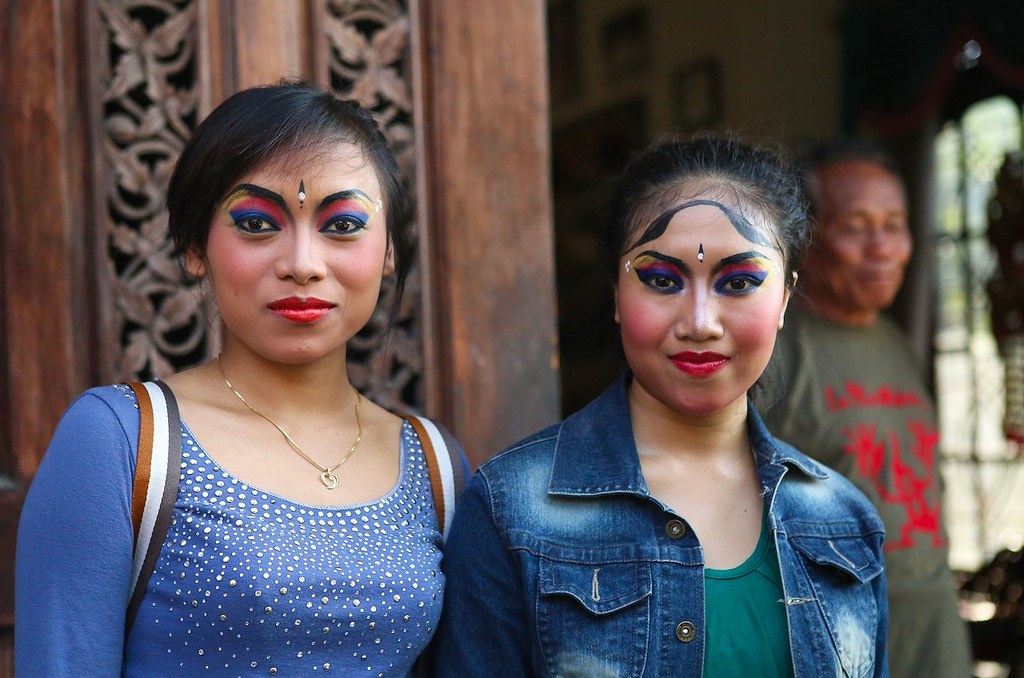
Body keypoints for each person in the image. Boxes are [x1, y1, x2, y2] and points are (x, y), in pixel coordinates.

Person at [15, 82, 465, 677]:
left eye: (344, 224)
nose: (302, 263)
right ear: (196, 247)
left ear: (388, 251)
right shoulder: (122, 442)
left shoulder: (434, 465)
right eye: (256, 223)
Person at [431, 136, 889, 677]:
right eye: (660, 280)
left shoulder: (843, 522)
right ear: (617, 296)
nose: (699, 322)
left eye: (739, 282)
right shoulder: (510, 510)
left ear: (786, 298)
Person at [758, 138, 973, 678]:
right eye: (856, 226)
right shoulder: (772, 352)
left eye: (894, 224)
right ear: (805, 237)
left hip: (933, 624)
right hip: (834, 633)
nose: (882, 247)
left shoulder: (896, 342)